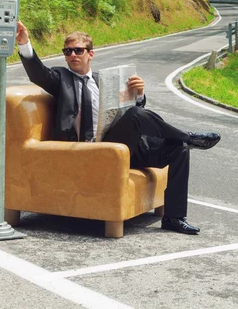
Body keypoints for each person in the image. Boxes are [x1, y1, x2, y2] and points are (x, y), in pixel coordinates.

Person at [15, 20, 220, 235]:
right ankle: (187, 136)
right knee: (140, 118)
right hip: (88, 150)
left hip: (121, 146)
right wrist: (24, 43)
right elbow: (38, 74)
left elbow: (131, 112)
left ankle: (174, 218)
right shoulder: (61, 78)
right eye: (67, 51)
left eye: (78, 50)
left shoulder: (105, 81)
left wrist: (138, 94)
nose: (72, 55)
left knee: (178, 150)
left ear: (90, 54)